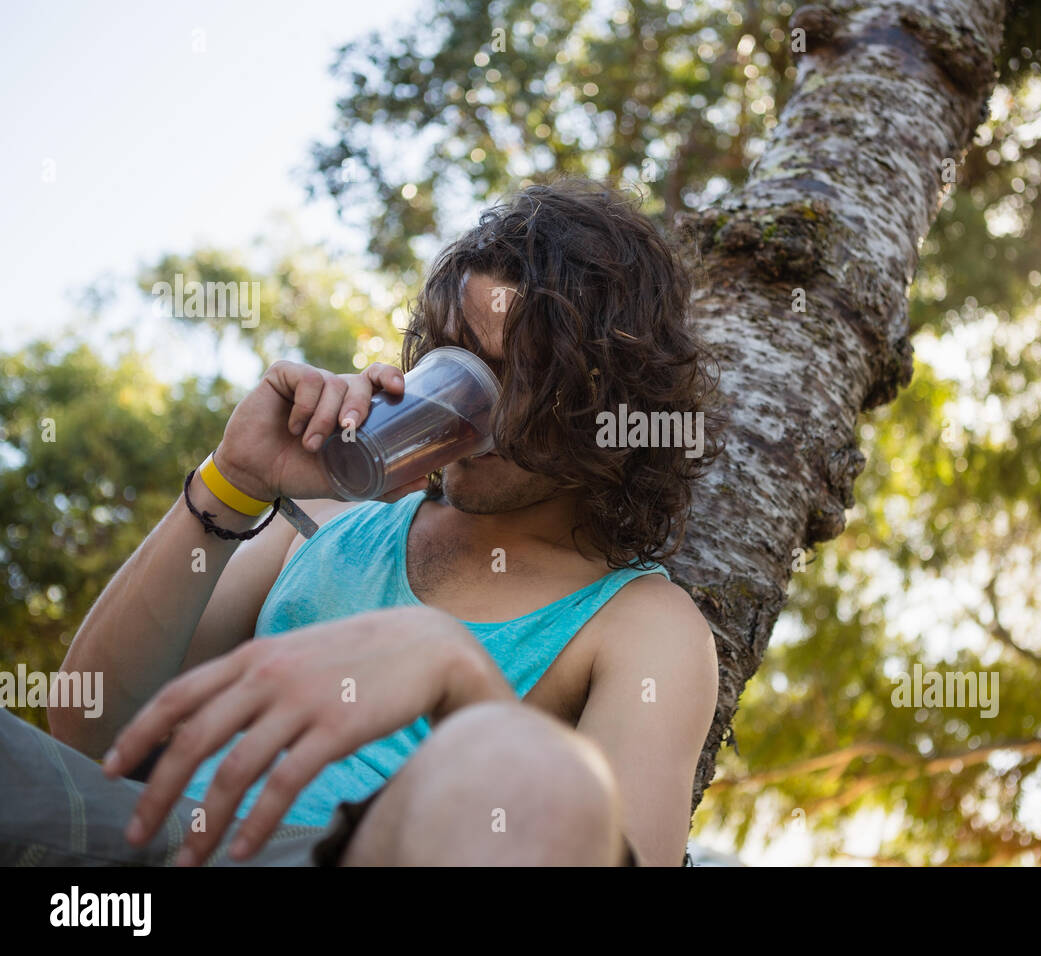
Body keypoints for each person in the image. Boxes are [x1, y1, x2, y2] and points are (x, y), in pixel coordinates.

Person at [2, 177, 723, 867]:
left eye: (516, 373)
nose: (464, 404)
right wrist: (235, 481)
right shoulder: (323, 523)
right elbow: (90, 731)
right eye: (453, 355)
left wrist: (458, 681)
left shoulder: (640, 622)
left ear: (605, 406)